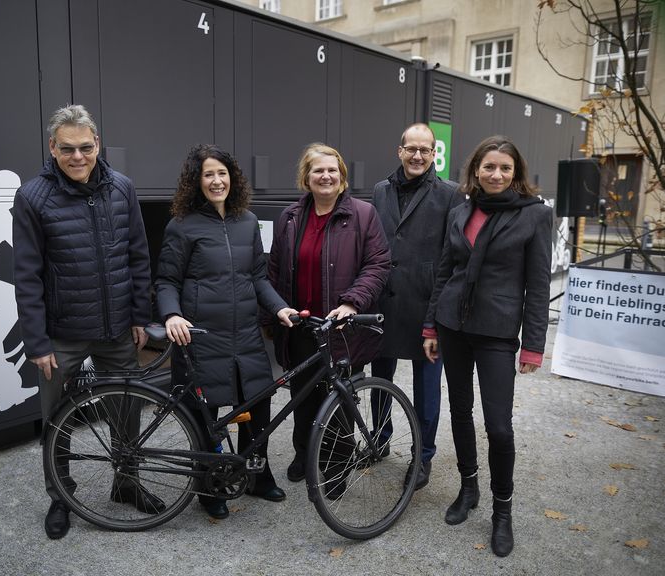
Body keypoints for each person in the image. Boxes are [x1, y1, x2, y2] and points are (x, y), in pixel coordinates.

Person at [13, 104, 161, 540]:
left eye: (85, 147)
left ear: (97, 143)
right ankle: (60, 496)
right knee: (58, 418)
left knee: (126, 411)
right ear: (52, 148)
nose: (78, 157)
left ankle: (126, 483)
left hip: (117, 328)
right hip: (62, 335)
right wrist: (37, 343)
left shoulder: (122, 187)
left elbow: (138, 256)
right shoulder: (32, 197)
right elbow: (26, 275)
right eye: (67, 149)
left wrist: (138, 316)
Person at [422, 135, 552, 557]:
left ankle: (502, 511)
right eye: (489, 167)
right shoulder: (461, 210)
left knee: (498, 425)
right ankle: (468, 487)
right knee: (459, 411)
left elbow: (538, 284)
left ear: (517, 174)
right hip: (452, 326)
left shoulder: (534, 216)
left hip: (496, 332)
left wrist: (532, 345)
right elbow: (444, 271)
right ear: (475, 169)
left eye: (505, 168)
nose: (496, 174)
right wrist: (431, 328)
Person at [155, 144, 298, 520]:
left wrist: (279, 306)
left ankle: (257, 476)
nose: (217, 181)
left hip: (246, 336)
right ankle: (211, 487)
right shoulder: (182, 225)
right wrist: (171, 314)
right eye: (208, 174)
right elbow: (166, 280)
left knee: (257, 405)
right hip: (201, 336)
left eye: (222, 173)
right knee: (207, 417)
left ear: (232, 178)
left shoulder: (247, 221)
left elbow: (256, 277)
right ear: (196, 181)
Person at [267, 142, 390, 485]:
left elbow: (378, 265)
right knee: (303, 396)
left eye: (332, 170)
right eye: (318, 170)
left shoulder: (364, 215)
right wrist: (274, 314)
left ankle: (336, 466)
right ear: (306, 178)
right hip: (302, 325)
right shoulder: (290, 218)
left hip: (341, 327)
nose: (326, 176)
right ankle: (303, 454)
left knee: (339, 400)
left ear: (342, 177)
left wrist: (352, 302)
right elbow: (274, 269)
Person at [369, 123, 463, 491]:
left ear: (434, 153)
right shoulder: (380, 190)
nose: (418, 156)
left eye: (426, 150)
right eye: (412, 149)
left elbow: (451, 259)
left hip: (427, 306)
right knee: (379, 380)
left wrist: (437, 319)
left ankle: (422, 457)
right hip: (385, 302)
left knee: (427, 390)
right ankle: (379, 436)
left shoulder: (451, 194)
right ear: (400, 150)